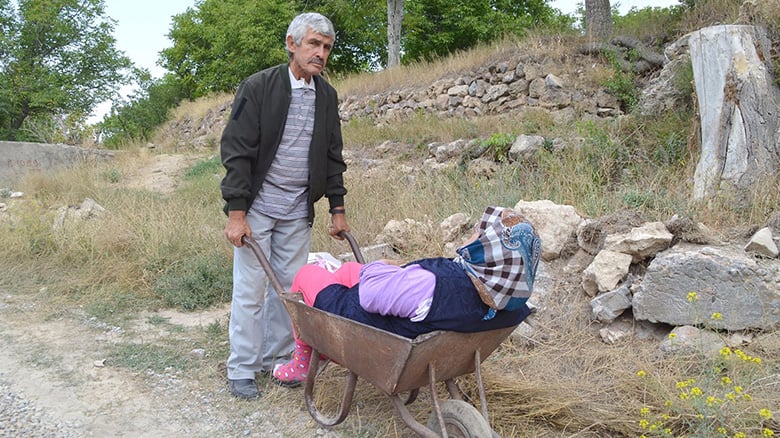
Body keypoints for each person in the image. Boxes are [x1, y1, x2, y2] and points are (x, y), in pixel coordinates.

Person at [220, 12, 349, 400]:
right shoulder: (259, 87)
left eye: (326, 47)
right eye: (313, 44)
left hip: (296, 210)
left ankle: (276, 360)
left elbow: (332, 155)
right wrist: (237, 213)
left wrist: (337, 208)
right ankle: (242, 367)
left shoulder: (326, 95)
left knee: (290, 293)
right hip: (258, 208)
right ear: (292, 44)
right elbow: (237, 151)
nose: (320, 53)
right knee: (250, 289)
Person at [272, 206, 541, 386]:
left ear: (490, 250)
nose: (471, 236)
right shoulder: (510, 300)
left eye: (479, 233)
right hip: (418, 314)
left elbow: (369, 296)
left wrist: (384, 266)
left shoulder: (434, 285)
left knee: (306, 274)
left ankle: (304, 363)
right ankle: (344, 275)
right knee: (349, 270)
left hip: (358, 316)